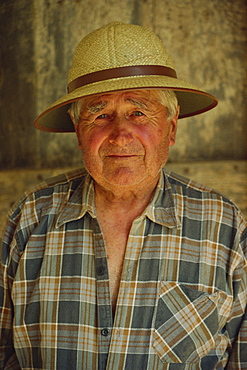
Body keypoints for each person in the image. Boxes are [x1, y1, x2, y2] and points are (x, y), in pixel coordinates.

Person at [0, 22, 246, 370]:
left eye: (139, 113)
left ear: (171, 127)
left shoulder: (225, 225)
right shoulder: (30, 217)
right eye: (100, 115)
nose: (119, 135)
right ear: (78, 132)